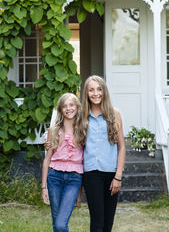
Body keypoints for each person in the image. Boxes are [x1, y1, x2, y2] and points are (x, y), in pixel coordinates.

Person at [81, 75, 126, 232]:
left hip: (111, 174)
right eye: (91, 90)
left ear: (104, 91)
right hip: (91, 174)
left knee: (108, 224)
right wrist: (50, 139)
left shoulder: (115, 114)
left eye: (99, 89)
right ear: (86, 93)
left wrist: (118, 176)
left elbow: (121, 147)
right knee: (97, 222)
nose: (96, 93)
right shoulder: (81, 116)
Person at [41, 92, 85, 232]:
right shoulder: (53, 131)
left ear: (77, 108)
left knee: (61, 224)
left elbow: (84, 161)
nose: (68, 108)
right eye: (64, 106)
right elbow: (47, 159)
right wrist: (43, 187)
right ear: (60, 110)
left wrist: (80, 192)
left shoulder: (83, 130)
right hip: (54, 177)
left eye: (71, 105)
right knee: (56, 223)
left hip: (74, 179)